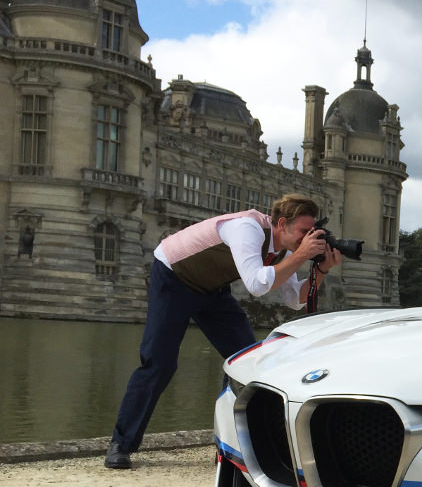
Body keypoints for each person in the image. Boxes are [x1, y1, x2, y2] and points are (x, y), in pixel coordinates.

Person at [104, 194, 342, 470]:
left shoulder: (285, 249)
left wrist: (321, 270)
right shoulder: (247, 228)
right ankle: (121, 444)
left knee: (245, 362)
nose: (307, 238)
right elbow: (256, 284)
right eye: (303, 231)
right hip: (173, 277)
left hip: (211, 289)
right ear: (281, 224)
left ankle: (229, 447)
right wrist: (301, 255)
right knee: (159, 362)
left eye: (310, 232)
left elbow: (295, 299)